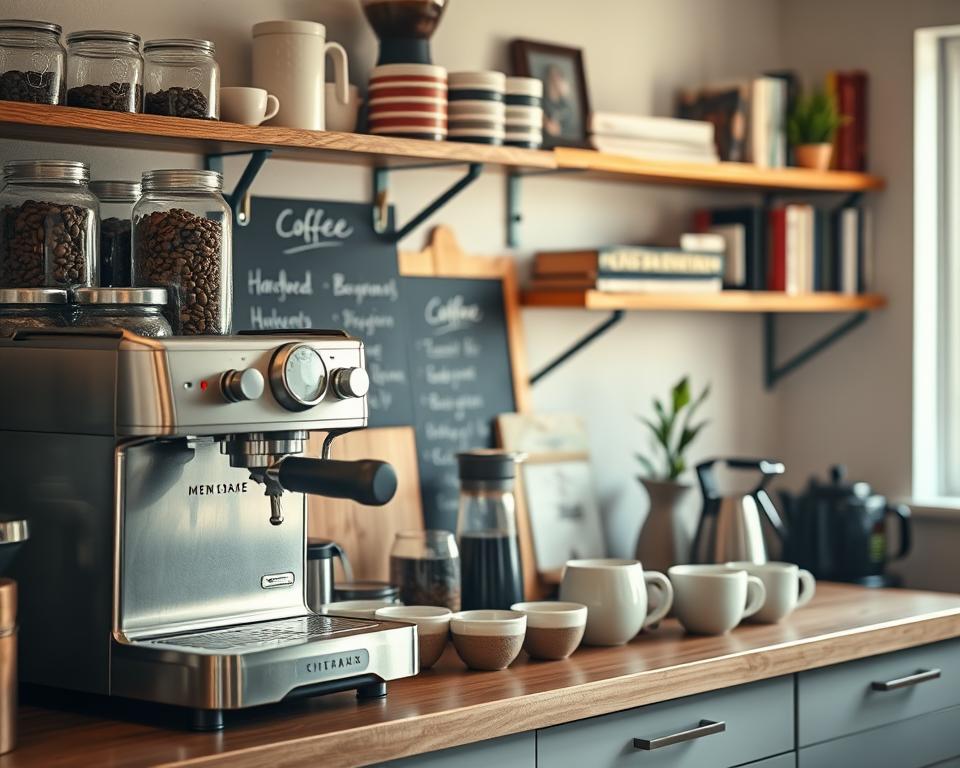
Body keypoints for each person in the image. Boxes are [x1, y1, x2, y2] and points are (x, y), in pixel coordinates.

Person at [542, 63, 577, 138]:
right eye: (552, 78)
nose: (555, 81)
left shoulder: (566, 107)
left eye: (557, 77)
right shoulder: (541, 103)